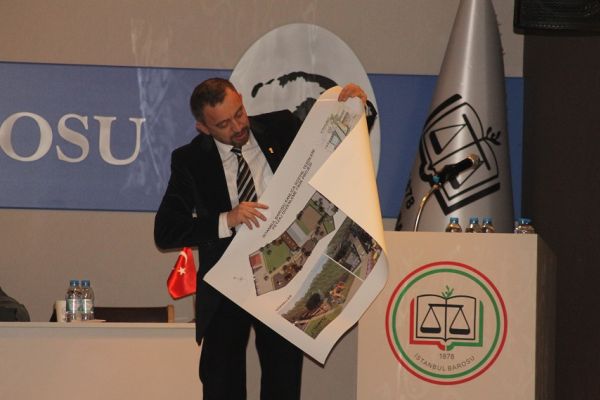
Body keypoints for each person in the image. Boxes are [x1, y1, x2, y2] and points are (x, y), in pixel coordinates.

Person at [154, 77, 372, 400]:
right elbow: (166, 231)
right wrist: (226, 219)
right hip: (227, 286)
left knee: (283, 383)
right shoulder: (190, 160)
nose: (237, 127)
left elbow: (335, 143)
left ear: (242, 100)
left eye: (239, 113)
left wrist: (356, 108)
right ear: (203, 128)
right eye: (223, 124)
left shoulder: (281, 126)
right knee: (222, 385)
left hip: (286, 282)